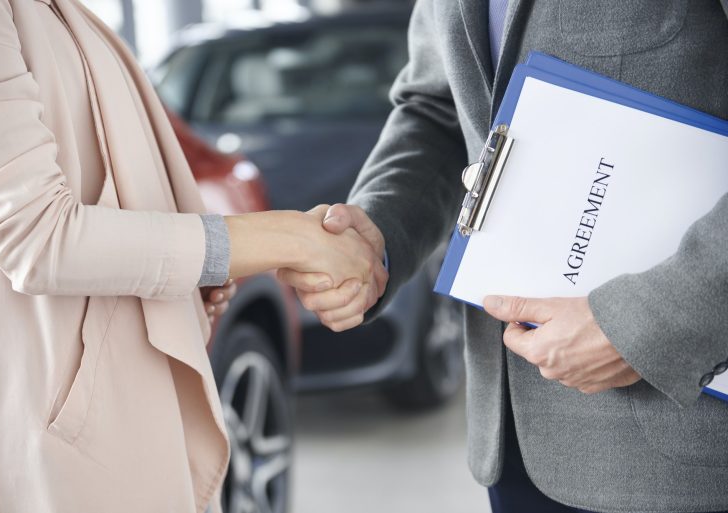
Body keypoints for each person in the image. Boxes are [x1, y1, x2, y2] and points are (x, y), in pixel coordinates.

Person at [280, 1, 728, 512]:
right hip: (510, 437)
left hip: (685, 449)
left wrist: (642, 324)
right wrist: (375, 233)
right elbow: (442, 112)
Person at [0, 0, 384, 512]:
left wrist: (194, 268)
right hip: (40, 435)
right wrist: (297, 238)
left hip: (102, 422)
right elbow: (38, 236)